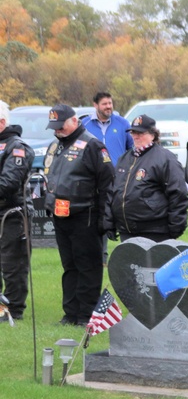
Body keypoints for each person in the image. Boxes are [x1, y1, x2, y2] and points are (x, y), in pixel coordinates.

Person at [42, 104, 115, 326]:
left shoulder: (93, 145)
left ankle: (86, 314)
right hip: (60, 215)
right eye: (54, 127)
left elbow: (107, 183)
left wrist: (105, 219)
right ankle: (70, 313)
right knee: (69, 266)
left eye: (61, 126)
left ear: (74, 121)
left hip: (86, 215)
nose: (57, 131)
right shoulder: (55, 146)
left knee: (88, 266)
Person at [104, 115, 188, 242]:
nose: (135, 136)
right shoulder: (124, 159)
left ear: (153, 135)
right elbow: (112, 191)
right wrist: (109, 222)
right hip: (126, 230)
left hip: (155, 231)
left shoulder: (165, 158)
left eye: (140, 133)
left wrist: (176, 227)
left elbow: (178, 194)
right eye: (133, 132)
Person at [0, 100, 35, 320]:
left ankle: (13, 310)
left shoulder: (18, 147)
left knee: (13, 264)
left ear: (2, 122)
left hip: (12, 213)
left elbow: (8, 183)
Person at [83, 92, 134, 167]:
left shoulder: (123, 124)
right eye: (104, 104)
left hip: (117, 173)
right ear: (95, 105)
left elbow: (132, 148)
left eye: (110, 103)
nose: (108, 106)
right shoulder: (85, 124)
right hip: (92, 174)